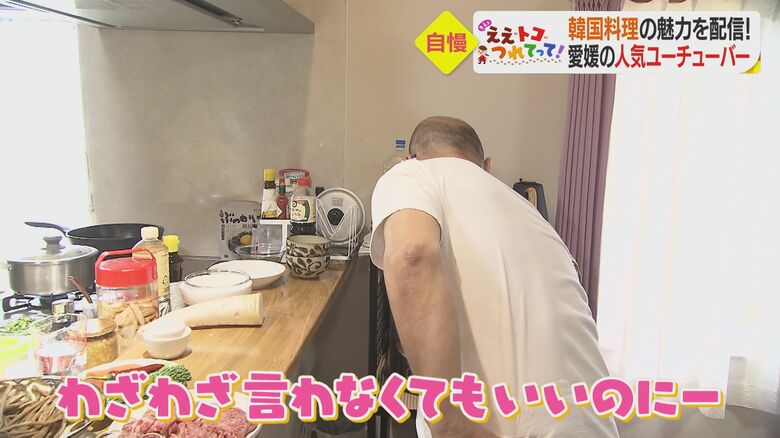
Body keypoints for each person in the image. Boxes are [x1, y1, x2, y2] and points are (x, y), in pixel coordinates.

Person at [370, 116, 619, 438]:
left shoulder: (413, 174)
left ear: (410, 158)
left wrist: (450, 425)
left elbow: (411, 254)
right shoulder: (528, 213)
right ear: (486, 165)